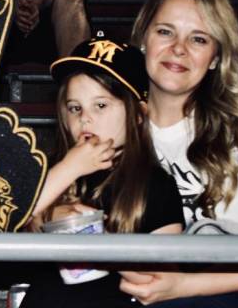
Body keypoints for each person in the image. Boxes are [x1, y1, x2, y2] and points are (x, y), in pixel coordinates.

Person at [120, 0, 238, 307]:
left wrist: (185, 286)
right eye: (165, 31)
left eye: (199, 39)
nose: (178, 49)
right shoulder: (116, 123)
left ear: (216, 57)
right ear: (143, 39)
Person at [19, 37, 184, 307]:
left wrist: (96, 242)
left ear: (138, 114)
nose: (85, 118)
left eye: (101, 105)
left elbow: (162, 280)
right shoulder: (51, 170)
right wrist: (66, 176)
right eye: (75, 108)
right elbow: (11, 219)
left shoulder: (155, 183)